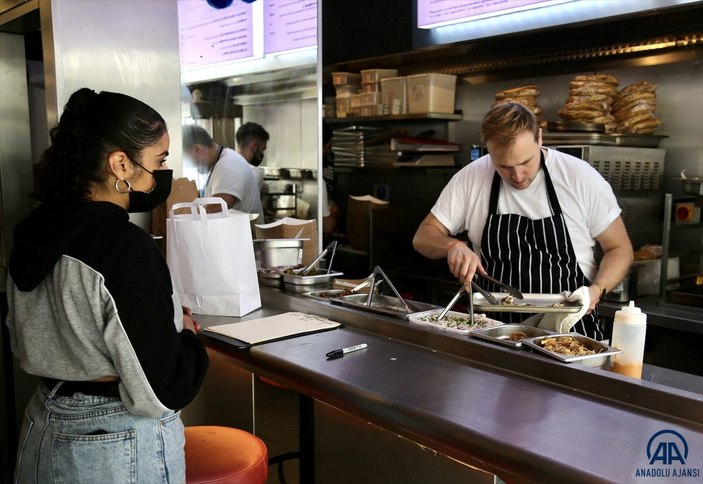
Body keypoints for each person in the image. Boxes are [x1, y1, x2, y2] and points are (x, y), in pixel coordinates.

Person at [6, 88, 209, 483]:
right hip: (112, 444)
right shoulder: (121, 245)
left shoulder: (34, 230)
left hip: (43, 427)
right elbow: (161, 389)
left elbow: (27, 337)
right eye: (159, 160)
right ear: (121, 164)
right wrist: (184, 337)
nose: (164, 171)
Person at [412, 102, 633, 339]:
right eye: (504, 166)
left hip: (569, 329)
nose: (517, 176)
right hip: (492, 331)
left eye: (526, 162)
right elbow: (423, 236)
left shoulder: (580, 177)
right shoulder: (471, 177)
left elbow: (620, 249)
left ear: (539, 138)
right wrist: (452, 246)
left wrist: (596, 289)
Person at [182, 123, 266, 223]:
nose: (191, 166)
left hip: (242, 237)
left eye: (187, 160)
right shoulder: (222, 162)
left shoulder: (228, 164)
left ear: (196, 149)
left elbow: (217, 208)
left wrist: (187, 219)